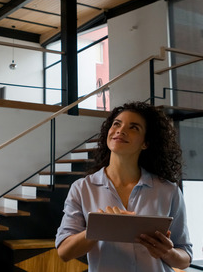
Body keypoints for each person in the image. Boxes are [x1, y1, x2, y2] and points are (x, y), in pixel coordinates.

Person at [55, 101, 192, 271]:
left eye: (134, 127)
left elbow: (185, 258)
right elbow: (64, 252)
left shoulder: (168, 190)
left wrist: (168, 252)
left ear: (146, 143)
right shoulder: (82, 188)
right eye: (116, 124)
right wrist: (100, 228)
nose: (120, 130)